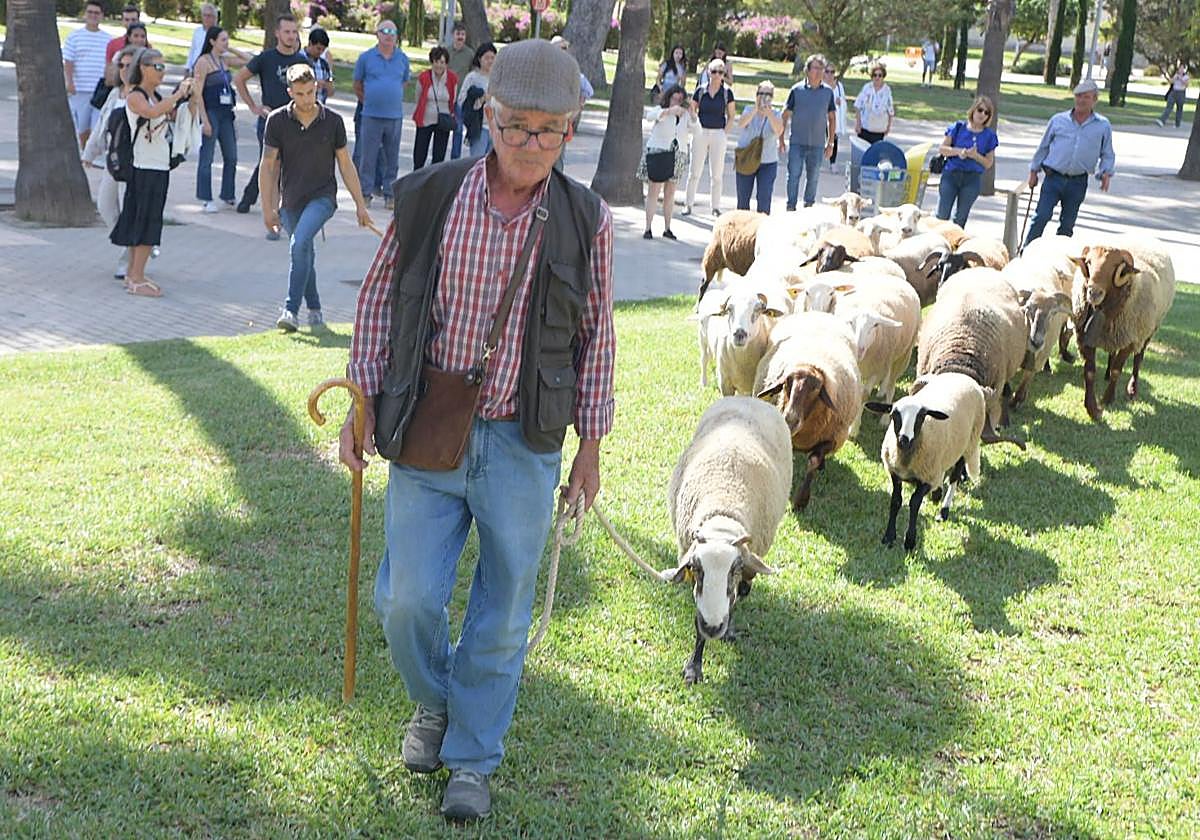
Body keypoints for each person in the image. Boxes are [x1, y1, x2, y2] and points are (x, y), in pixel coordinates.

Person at [341, 38, 614, 823]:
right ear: (487, 117)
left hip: (525, 443)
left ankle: (471, 758)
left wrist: (590, 446)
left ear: (571, 131)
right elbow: (379, 302)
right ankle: (436, 704)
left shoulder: (585, 218)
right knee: (406, 599)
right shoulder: (431, 193)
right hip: (429, 426)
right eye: (515, 126)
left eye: (550, 130)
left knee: (503, 612)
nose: (531, 145)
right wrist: (361, 403)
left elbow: (597, 336)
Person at [261, 63, 373, 332]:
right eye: (300, 94)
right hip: (290, 200)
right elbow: (268, 166)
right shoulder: (276, 121)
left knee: (299, 244)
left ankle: (290, 309)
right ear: (290, 92)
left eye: (311, 92)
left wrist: (360, 205)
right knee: (305, 252)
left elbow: (345, 164)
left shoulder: (332, 121)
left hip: (323, 197)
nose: (307, 100)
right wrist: (267, 209)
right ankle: (315, 310)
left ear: (317, 88)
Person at [110, 48, 194, 297]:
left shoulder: (155, 95)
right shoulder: (135, 96)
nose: (162, 71)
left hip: (158, 165)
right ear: (143, 68)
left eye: (163, 66)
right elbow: (150, 113)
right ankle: (135, 277)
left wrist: (190, 96)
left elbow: (172, 114)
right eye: (157, 67)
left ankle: (135, 273)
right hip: (144, 167)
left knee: (146, 219)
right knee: (145, 221)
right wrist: (178, 94)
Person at [233, 14, 307, 222]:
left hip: (295, 122)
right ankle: (272, 215)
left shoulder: (301, 61)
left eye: (294, 32)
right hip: (270, 121)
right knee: (272, 165)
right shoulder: (266, 58)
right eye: (287, 32)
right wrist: (253, 106)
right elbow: (239, 78)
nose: (291, 36)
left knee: (285, 167)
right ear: (277, 33)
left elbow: (310, 90)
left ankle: (257, 200)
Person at [1024, 79, 1115, 246]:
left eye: (1086, 97)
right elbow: (1043, 147)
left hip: (1078, 181)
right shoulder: (1058, 120)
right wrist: (1033, 171)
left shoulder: (1102, 126)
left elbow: (1107, 153)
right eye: (1078, 96)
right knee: (1041, 216)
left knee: (1067, 225)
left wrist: (1106, 173)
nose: (1081, 100)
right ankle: (1026, 251)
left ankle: (1060, 257)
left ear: (1094, 100)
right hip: (1053, 178)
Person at [83, 45, 138, 280]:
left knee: (128, 210)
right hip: (112, 161)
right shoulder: (115, 94)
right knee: (105, 207)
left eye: (129, 66)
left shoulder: (142, 94)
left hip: (135, 162)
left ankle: (128, 259)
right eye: (121, 65)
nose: (124, 70)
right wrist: (89, 152)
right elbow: (101, 126)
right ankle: (133, 243)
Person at [353, 19, 411, 210]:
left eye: (392, 32)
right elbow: (357, 85)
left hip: (394, 116)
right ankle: (365, 193)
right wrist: (369, 100)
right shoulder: (366, 58)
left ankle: (390, 194)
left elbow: (404, 82)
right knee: (367, 157)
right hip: (371, 115)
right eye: (384, 31)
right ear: (377, 34)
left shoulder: (402, 59)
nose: (388, 35)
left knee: (391, 158)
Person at [192, 27, 238, 213]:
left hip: (227, 113)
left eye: (227, 39)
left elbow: (250, 60)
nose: (226, 43)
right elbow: (197, 91)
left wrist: (231, 49)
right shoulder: (203, 62)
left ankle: (228, 193)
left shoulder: (224, 60)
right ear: (212, 41)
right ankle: (205, 197)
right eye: (223, 40)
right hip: (211, 111)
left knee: (232, 156)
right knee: (207, 156)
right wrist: (204, 120)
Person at [781, 54, 836, 211]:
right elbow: (785, 115)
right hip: (797, 142)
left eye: (822, 69)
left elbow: (832, 118)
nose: (819, 72)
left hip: (817, 144)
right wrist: (781, 137)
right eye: (815, 68)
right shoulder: (797, 90)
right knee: (793, 177)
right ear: (807, 70)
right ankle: (791, 207)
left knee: (813, 178)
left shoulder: (828, 92)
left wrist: (830, 142)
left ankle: (808, 207)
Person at [935, 95, 999, 227]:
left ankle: (954, 244)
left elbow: (988, 163)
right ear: (973, 110)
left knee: (960, 219)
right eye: (980, 110)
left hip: (972, 178)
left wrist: (975, 156)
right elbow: (942, 149)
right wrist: (959, 152)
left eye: (987, 113)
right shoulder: (958, 127)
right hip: (951, 174)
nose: (982, 115)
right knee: (942, 215)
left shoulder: (989, 136)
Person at [640, 84, 694, 239]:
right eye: (674, 98)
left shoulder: (685, 116)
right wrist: (669, 111)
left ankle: (667, 228)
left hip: (678, 155)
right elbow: (650, 116)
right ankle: (648, 228)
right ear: (669, 98)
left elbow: (697, 131)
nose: (677, 102)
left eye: (680, 100)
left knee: (670, 193)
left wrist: (692, 114)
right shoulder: (661, 110)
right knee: (654, 192)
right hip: (659, 153)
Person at [685, 59, 736, 217]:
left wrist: (724, 133)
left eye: (720, 72)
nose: (717, 75)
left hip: (718, 133)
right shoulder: (701, 90)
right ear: (708, 72)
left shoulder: (727, 93)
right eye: (714, 71)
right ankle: (688, 204)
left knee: (717, 174)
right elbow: (692, 107)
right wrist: (694, 121)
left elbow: (732, 115)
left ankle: (715, 207)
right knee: (694, 171)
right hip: (701, 132)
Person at [63, 0, 112, 150]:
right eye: (90, 12)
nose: (93, 15)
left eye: (96, 13)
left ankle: (90, 154)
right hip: (80, 89)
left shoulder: (108, 39)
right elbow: (68, 62)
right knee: (82, 125)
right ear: (85, 14)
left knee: (97, 124)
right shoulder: (74, 37)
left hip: (100, 90)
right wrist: (69, 82)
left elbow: (110, 64)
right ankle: (85, 151)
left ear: (102, 16)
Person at [733, 81, 785, 215]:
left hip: (767, 162)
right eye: (761, 93)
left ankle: (761, 230)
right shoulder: (748, 109)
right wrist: (756, 109)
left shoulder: (776, 113)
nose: (764, 97)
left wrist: (769, 114)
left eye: (768, 94)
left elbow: (779, 131)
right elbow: (741, 124)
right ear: (756, 95)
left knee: (764, 200)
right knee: (743, 201)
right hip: (746, 159)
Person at [412, 46, 458, 170]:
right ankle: (416, 183)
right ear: (432, 62)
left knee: (438, 157)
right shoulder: (424, 77)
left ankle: (433, 185)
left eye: (442, 62)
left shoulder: (452, 79)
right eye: (436, 62)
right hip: (425, 119)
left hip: (443, 121)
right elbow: (418, 97)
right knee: (419, 155)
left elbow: (453, 99)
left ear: (446, 63)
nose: (439, 65)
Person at [457, 43, 496, 158]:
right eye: (487, 58)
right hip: (479, 127)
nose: (490, 61)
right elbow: (461, 100)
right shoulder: (472, 77)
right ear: (479, 59)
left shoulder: (498, 78)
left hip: (496, 128)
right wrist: (481, 98)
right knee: (477, 161)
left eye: (493, 58)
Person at [446, 22, 474, 159]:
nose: (460, 37)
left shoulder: (470, 54)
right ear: (453, 35)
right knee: (443, 127)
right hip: (446, 97)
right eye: (458, 34)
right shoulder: (446, 52)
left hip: (461, 98)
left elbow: (473, 74)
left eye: (463, 34)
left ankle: (454, 157)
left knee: (458, 129)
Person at [854, 61, 894, 144]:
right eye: (875, 75)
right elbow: (858, 105)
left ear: (883, 76)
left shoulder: (887, 91)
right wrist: (858, 123)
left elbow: (890, 111)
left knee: (874, 154)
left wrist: (888, 127)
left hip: (878, 129)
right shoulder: (867, 88)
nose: (877, 78)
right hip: (864, 127)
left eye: (880, 75)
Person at [823, 65, 847, 171]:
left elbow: (843, 100)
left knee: (833, 139)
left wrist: (840, 101)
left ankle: (833, 162)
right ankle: (819, 161)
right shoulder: (820, 84)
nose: (829, 74)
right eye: (827, 71)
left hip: (833, 117)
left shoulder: (838, 85)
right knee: (820, 139)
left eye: (832, 72)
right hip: (821, 117)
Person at [304, 28, 334, 106]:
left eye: (323, 50)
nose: (320, 52)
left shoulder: (324, 64)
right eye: (318, 48)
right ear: (310, 43)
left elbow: (331, 91)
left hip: (319, 106)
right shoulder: (299, 59)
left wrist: (326, 85)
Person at [186, 4, 219, 71]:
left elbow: (223, 54)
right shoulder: (198, 31)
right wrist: (187, 68)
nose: (206, 18)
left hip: (210, 70)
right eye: (204, 15)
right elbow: (192, 50)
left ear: (215, 18)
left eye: (209, 16)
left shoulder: (219, 34)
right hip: (195, 68)